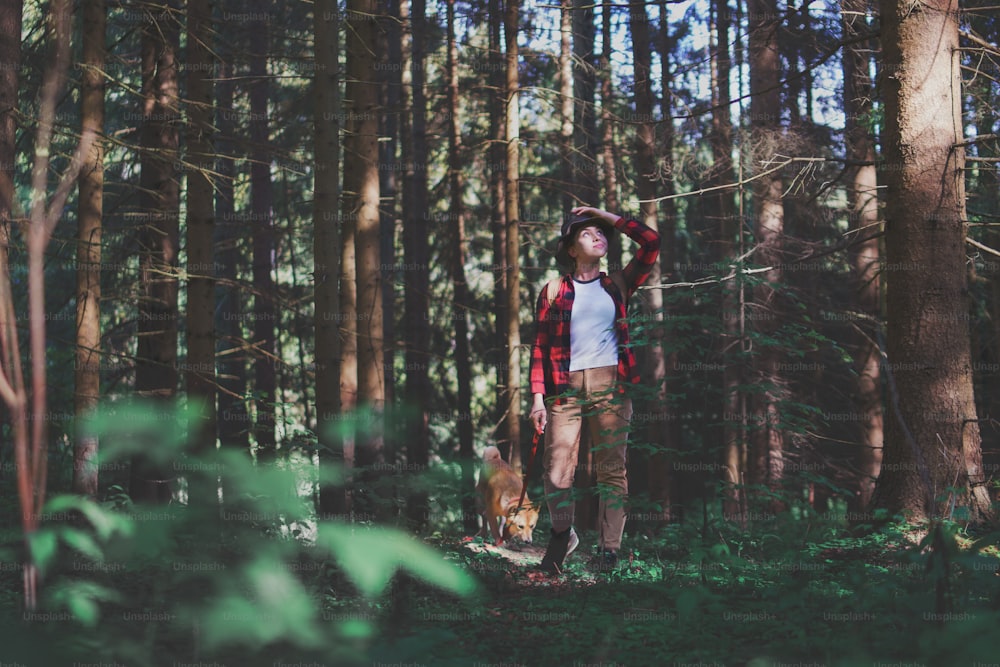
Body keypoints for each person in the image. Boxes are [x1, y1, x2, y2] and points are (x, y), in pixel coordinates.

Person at [529, 205, 661, 574]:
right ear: (571, 248)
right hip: (563, 387)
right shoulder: (554, 290)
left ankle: (608, 551)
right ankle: (562, 534)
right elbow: (539, 346)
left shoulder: (618, 283)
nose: (598, 237)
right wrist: (538, 397)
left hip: (612, 386)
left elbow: (651, 241)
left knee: (611, 469)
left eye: (602, 234)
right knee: (556, 471)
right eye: (588, 233)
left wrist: (608, 215)